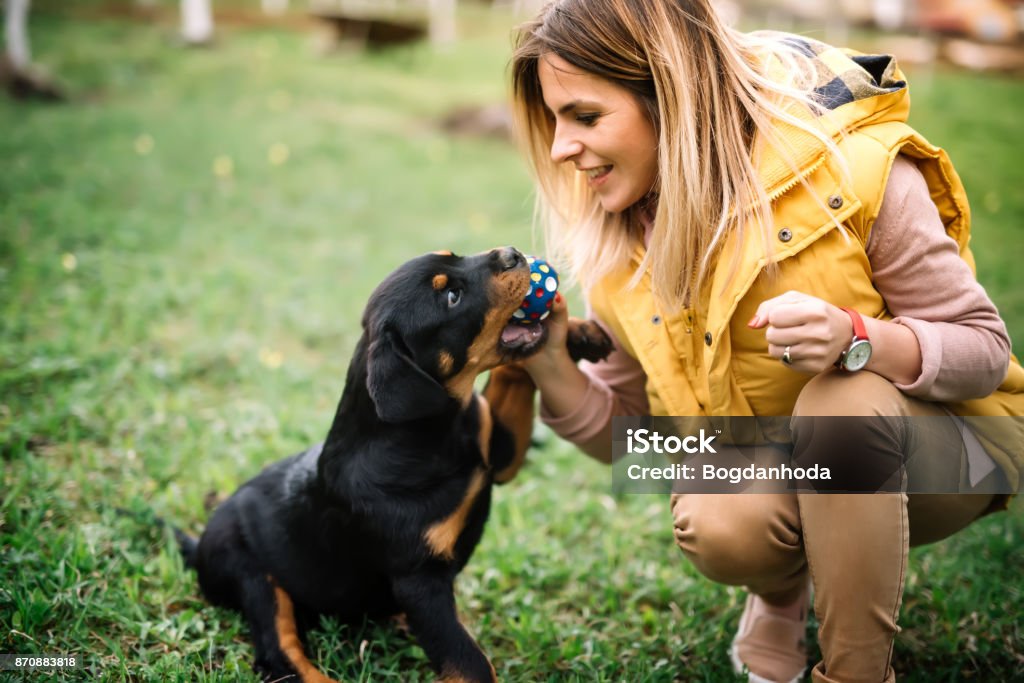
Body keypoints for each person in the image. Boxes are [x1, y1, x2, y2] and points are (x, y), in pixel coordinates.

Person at [508, 1, 1023, 681]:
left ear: (670, 93)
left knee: (839, 408)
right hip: (793, 459)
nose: (560, 149)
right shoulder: (618, 244)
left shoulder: (855, 173)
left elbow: (983, 350)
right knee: (720, 515)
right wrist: (554, 369)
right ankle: (784, 590)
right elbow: (648, 443)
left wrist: (856, 339)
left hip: (968, 450)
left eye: (584, 116)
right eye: (553, 120)